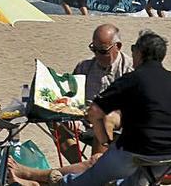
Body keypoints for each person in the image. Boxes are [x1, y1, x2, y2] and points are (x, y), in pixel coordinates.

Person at [8, 68, 171, 186]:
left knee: (97, 162)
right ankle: (39, 179)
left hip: (168, 160)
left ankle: (33, 176)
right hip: (164, 152)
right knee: (99, 156)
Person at [47, 31, 171, 186]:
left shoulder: (132, 79)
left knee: (90, 178)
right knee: (133, 181)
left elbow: (94, 112)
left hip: (139, 150)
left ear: (139, 53)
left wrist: (104, 141)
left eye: (134, 47)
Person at [54, 24, 133, 161]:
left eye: (102, 51)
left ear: (118, 46)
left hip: (119, 130)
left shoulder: (131, 70)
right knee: (54, 122)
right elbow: (72, 98)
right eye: (93, 49)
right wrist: (73, 117)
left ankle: (94, 171)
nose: (97, 55)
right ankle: (81, 168)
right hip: (84, 122)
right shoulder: (84, 67)